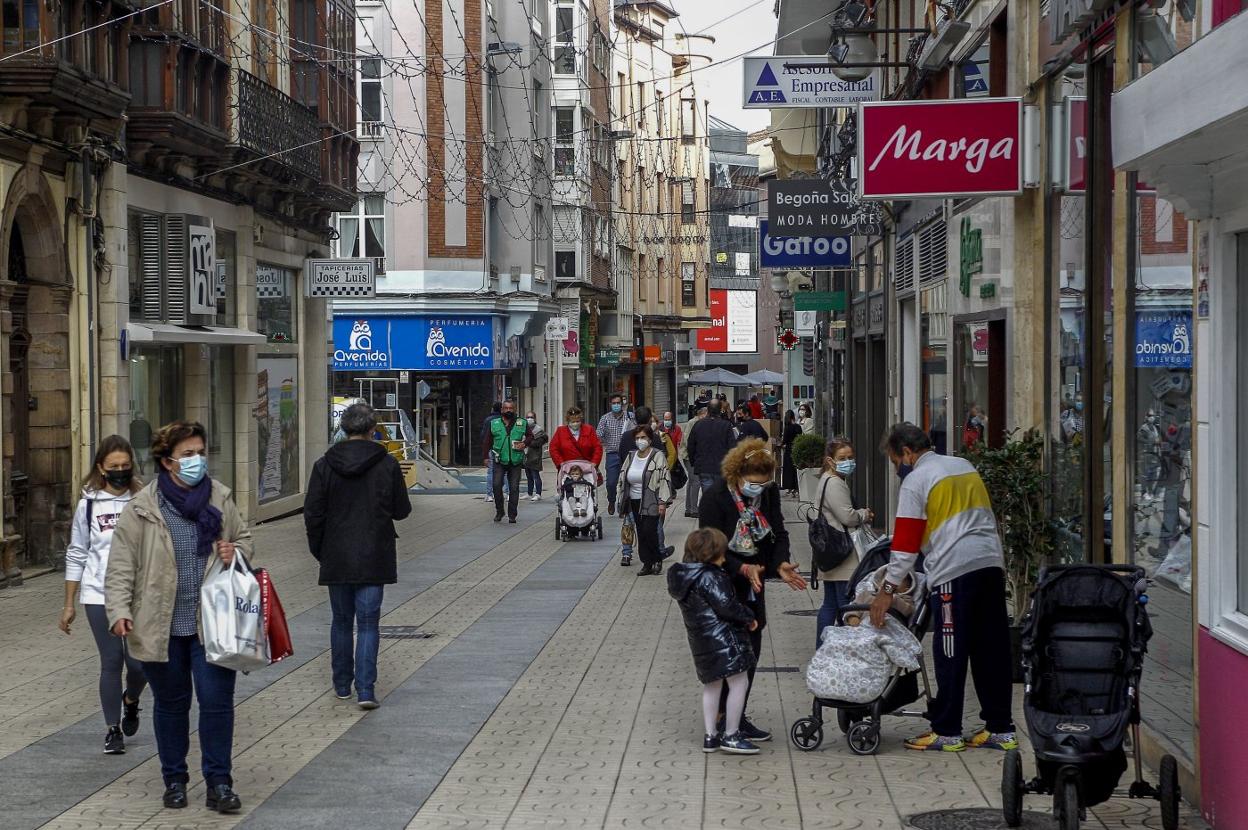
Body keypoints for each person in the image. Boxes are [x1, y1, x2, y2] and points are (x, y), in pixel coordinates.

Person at [105, 421, 252, 813]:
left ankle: (219, 783)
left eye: (201, 451)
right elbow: (121, 567)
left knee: (217, 703)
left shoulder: (219, 496)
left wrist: (234, 551)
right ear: (168, 461)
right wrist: (118, 611)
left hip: (213, 624)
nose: (197, 460)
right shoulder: (142, 508)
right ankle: (174, 780)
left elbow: (245, 539)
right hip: (161, 624)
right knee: (172, 706)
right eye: (188, 454)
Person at [871, 422, 1015, 753]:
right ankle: (1001, 728)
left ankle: (947, 730)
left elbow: (905, 542)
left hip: (953, 570)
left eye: (895, 461)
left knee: (950, 649)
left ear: (907, 453)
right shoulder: (964, 466)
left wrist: (888, 588)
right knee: (991, 648)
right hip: (990, 563)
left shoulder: (917, 480)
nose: (897, 468)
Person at [304, 403, 413, 710]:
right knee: (368, 623)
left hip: (336, 553)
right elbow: (402, 511)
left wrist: (321, 550)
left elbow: (313, 514)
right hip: (374, 553)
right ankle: (365, 689)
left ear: (343, 429)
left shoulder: (323, 465)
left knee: (340, 621)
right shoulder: (387, 465)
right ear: (372, 429)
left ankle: (341, 684)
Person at [698, 439, 807, 741]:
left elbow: (778, 532)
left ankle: (736, 714)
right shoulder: (715, 497)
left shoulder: (767, 495)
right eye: (753, 483)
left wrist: (780, 563)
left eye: (764, 483)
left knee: (751, 651)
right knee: (725, 653)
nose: (758, 488)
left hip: (754, 584)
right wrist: (740, 568)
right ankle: (721, 718)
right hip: (722, 585)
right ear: (737, 474)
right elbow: (708, 547)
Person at [60, 435, 147, 755]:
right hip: (98, 594)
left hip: (139, 594)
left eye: (126, 466)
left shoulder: (144, 500)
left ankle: (132, 700)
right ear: (101, 468)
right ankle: (113, 729)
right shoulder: (89, 505)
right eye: (114, 467)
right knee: (112, 661)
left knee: (139, 665)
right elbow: (77, 553)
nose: (121, 471)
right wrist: (69, 603)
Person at [667, 527, 760, 755]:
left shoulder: (683, 577)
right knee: (739, 682)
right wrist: (749, 617)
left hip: (701, 642)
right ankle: (731, 734)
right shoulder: (711, 577)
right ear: (715, 554)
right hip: (724, 640)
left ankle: (710, 735)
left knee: (711, 685)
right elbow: (727, 606)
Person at [814, 438, 874, 644]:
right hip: (843, 554)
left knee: (830, 603)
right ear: (830, 460)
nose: (848, 461)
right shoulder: (835, 483)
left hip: (832, 552)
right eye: (842, 458)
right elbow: (847, 517)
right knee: (844, 605)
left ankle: (823, 649)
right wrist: (864, 514)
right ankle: (841, 650)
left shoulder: (826, 479)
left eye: (850, 457)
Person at [617, 424, 673, 575]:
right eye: (637, 438)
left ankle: (657, 559)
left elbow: (664, 479)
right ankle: (646, 563)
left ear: (649, 439)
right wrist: (621, 500)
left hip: (651, 500)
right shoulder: (631, 456)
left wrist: (663, 502)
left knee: (650, 531)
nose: (640, 441)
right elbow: (623, 478)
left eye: (643, 437)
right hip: (634, 500)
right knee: (641, 532)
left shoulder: (657, 456)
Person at [686, 404, 737, 510]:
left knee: (708, 494)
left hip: (704, 466)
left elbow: (690, 445)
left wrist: (693, 462)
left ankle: (709, 516)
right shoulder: (726, 426)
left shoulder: (698, 425)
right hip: (721, 466)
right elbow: (732, 447)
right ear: (719, 411)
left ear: (708, 411)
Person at [489, 399, 529, 523]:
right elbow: (487, 440)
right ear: (501, 410)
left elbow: (531, 436)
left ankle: (512, 514)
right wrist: (485, 457)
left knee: (514, 487)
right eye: (506, 408)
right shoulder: (494, 423)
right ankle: (500, 511)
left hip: (515, 460)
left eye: (511, 408)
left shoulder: (522, 422)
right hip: (499, 459)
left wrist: (524, 443)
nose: (508, 410)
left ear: (515, 409)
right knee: (496, 485)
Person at [596, 393, 635, 515]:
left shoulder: (630, 417)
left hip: (627, 454)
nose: (616, 405)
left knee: (627, 481)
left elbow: (637, 432)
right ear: (610, 405)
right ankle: (611, 500)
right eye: (614, 403)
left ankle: (623, 506)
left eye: (618, 403)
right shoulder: (605, 419)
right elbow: (598, 435)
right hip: (612, 454)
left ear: (622, 404)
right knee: (611, 482)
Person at [549, 406, 603, 471]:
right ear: (568, 421)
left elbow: (597, 447)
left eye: (577, 421)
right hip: (567, 469)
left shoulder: (589, 430)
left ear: (581, 420)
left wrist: (594, 462)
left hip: (587, 468)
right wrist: (561, 463)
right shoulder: (560, 431)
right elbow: (553, 449)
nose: (575, 424)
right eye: (572, 422)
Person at [680, 407, 707, 518]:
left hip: (691, 455)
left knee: (691, 482)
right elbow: (687, 440)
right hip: (689, 456)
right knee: (695, 481)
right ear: (702, 414)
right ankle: (693, 510)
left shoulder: (699, 423)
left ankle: (688, 508)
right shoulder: (693, 422)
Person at [523, 410, 548, 502]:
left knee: (535, 475)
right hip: (526, 455)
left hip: (535, 456)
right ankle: (529, 493)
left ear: (535, 419)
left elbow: (540, 442)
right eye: (528, 417)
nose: (529, 419)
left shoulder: (539, 430)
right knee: (528, 476)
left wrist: (527, 442)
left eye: (531, 417)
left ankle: (538, 493)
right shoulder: (524, 428)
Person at [480, 402, 502, 502]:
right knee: (506, 473)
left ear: (493, 409)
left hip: (491, 449)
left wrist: (485, 453)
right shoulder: (504, 420)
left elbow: (483, 436)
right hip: (503, 448)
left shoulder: (488, 420)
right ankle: (508, 493)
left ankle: (489, 494)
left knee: (491, 472)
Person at [779, 411, 802, 497]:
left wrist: (780, 444)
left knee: (788, 470)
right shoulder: (798, 427)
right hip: (797, 450)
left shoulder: (787, 428)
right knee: (795, 469)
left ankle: (789, 488)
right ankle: (796, 489)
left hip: (788, 450)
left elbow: (784, 440)